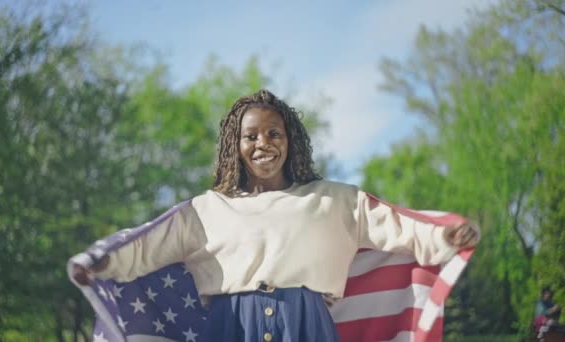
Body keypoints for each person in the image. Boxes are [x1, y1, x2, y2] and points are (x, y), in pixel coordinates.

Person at [71, 89, 480, 341]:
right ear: (236, 145)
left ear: (290, 140)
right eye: (250, 136)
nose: (262, 143)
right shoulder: (206, 209)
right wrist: (104, 263)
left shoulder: (335, 200)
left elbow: (399, 228)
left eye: (273, 133)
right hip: (230, 328)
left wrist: (445, 238)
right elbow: (146, 247)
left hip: (308, 326)